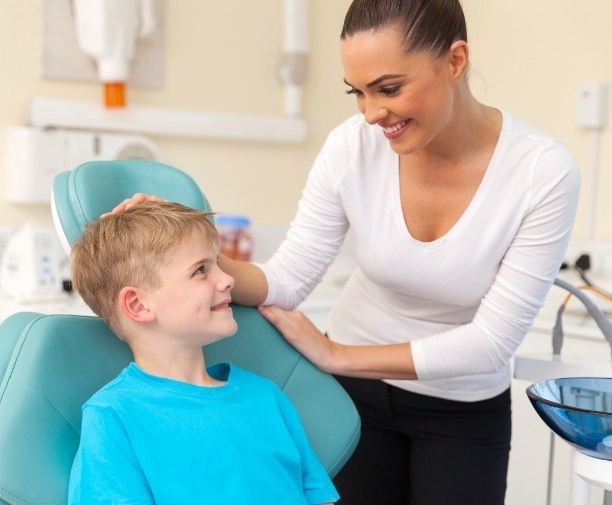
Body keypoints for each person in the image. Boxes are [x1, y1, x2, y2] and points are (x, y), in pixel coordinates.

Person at [109, 0, 580, 503]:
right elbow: (287, 278)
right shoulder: (351, 146)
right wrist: (189, 245)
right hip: (352, 402)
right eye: (358, 92)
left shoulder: (542, 173)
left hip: (458, 408)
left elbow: (489, 343)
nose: (372, 114)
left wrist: (337, 354)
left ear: (456, 60)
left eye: (389, 88)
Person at [67, 200, 338, 505]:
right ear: (138, 305)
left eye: (218, 265)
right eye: (200, 270)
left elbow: (318, 498)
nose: (228, 279)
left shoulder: (265, 396)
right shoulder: (113, 415)